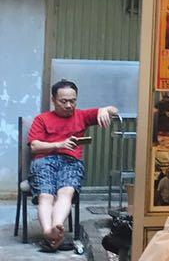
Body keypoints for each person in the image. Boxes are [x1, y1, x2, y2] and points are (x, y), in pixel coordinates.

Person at [28, 80, 120, 251]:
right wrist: (60, 144)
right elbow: (34, 146)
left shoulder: (82, 116)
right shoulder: (42, 119)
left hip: (71, 162)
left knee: (66, 193)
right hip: (44, 161)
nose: (69, 105)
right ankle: (48, 231)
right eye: (64, 101)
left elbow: (114, 110)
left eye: (73, 101)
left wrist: (104, 110)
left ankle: (56, 227)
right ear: (53, 100)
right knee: (46, 195)